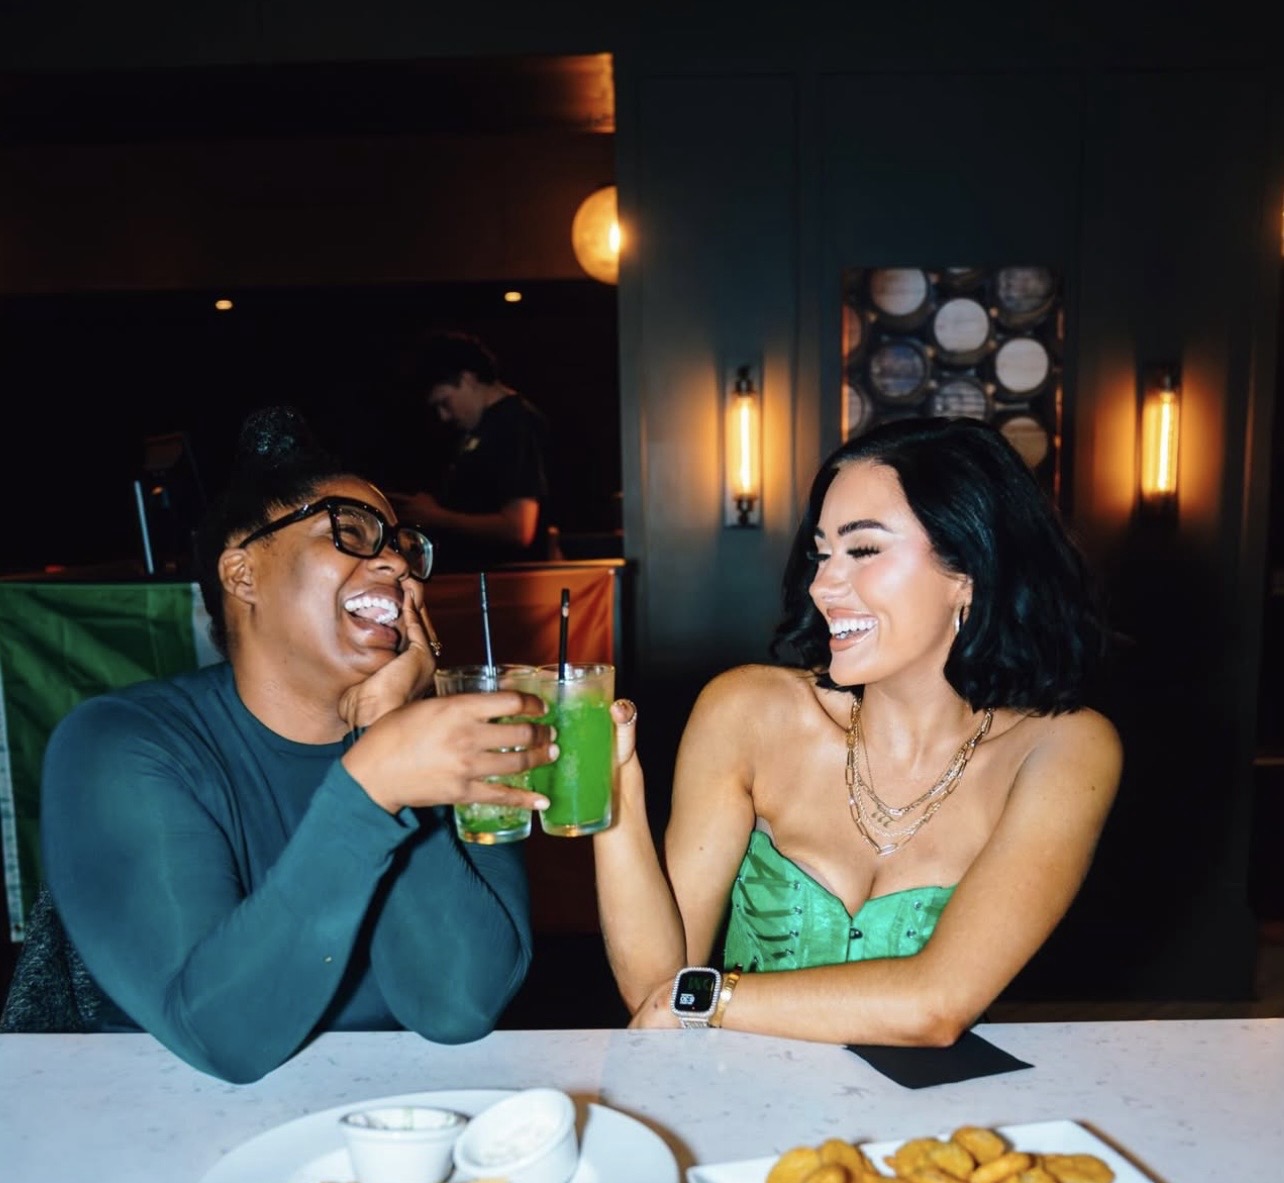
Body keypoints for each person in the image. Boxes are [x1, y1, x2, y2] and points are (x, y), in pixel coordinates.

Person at [31, 405, 556, 1082]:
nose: (396, 561)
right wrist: (371, 789)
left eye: (402, 543)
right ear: (242, 574)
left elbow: (454, 1007)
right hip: (165, 1143)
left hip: (387, 1144)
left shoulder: (444, 742)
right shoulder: (120, 745)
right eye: (354, 531)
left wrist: (386, 735)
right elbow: (224, 1037)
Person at [594, 415, 1122, 1042]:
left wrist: (706, 1000)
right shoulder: (747, 712)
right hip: (739, 1103)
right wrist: (616, 789)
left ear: (968, 572)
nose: (823, 584)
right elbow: (652, 983)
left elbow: (939, 1003)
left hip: (927, 1119)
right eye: (821, 552)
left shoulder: (1065, 749)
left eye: (863, 549)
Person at [391, 331, 554, 568]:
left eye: (445, 402)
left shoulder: (514, 423)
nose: (443, 416)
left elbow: (519, 528)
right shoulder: (485, 426)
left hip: (507, 584)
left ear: (467, 379)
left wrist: (438, 517)